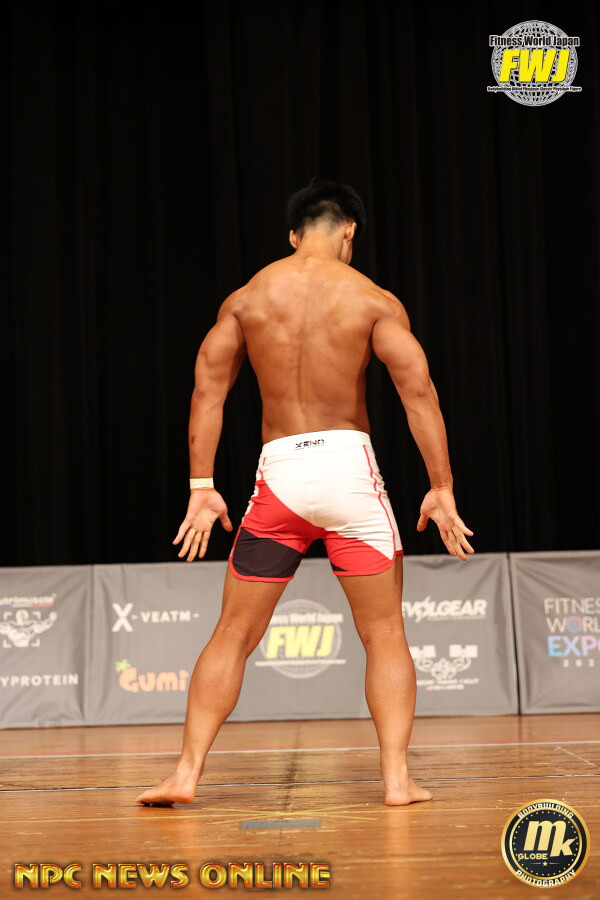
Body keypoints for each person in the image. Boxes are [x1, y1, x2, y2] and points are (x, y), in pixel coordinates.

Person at [136, 178, 474, 808]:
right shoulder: (372, 300)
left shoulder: (247, 299)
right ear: (350, 231)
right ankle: (396, 781)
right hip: (349, 474)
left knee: (232, 633)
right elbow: (418, 394)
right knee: (384, 633)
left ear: (293, 234)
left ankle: (185, 774)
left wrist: (202, 487)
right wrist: (441, 487)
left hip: (281, 478)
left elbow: (208, 391)